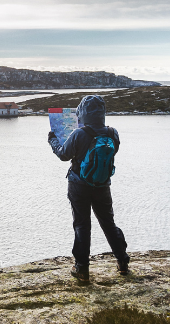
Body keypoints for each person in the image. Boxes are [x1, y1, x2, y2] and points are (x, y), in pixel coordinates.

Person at [48, 94, 129, 284]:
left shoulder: (79, 134)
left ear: (82, 112)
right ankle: (123, 262)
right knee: (108, 223)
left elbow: (63, 155)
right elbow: (112, 153)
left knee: (82, 225)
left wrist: (52, 140)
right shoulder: (112, 133)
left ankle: (82, 269)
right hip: (103, 185)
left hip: (78, 185)